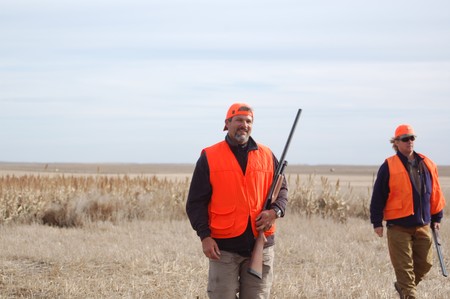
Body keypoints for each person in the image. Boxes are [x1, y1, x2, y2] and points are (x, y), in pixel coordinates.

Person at [186, 102, 288, 299]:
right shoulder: (210, 156)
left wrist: (275, 212)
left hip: (261, 244)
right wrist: (204, 236)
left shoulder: (267, 155)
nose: (244, 125)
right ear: (227, 123)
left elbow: (282, 189)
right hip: (223, 248)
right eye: (238, 120)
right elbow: (195, 203)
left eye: (248, 121)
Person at [370, 124, 446, 299]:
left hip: (423, 225)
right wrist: (376, 222)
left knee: (426, 264)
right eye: (405, 138)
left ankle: (402, 286)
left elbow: (435, 192)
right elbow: (378, 195)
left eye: (412, 138)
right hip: (398, 226)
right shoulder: (388, 166)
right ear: (396, 142)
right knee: (404, 268)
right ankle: (409, 293)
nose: (409, 141)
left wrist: (437, 217)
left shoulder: (427, 163)